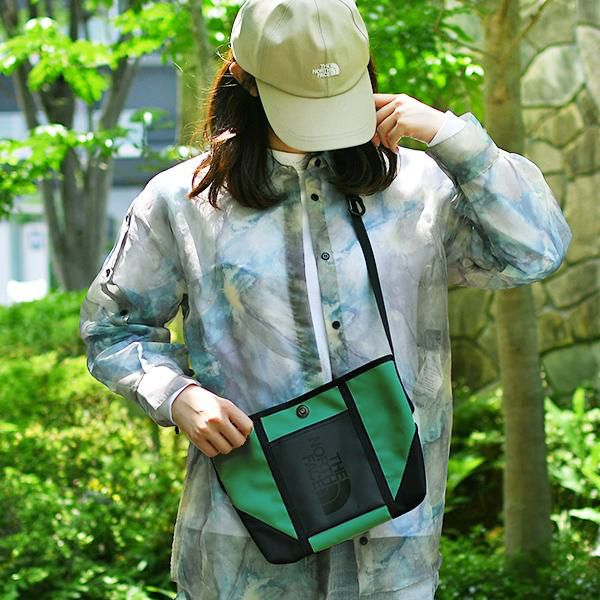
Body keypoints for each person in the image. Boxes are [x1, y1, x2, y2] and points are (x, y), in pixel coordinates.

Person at [79, 0, 572, 598]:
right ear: (246, 79)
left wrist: (452, 137)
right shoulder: (182, 202)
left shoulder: (417, 187)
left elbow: (537, 250)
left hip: (394, 548)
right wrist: (177, 395)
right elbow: (113, 328)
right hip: (246, 554)